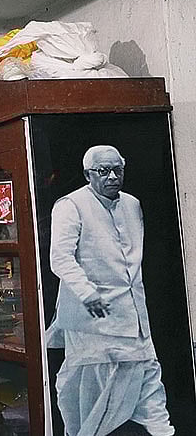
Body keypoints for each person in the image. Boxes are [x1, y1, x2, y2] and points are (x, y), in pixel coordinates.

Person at [46, 145, 174, 436]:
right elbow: (61, 258)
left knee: (149, 381)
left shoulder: (132, 204)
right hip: (94, 320)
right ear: (88, 174)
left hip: (135, 316)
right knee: (94, 393)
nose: (113, 176)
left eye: (118, 169)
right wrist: (87, 293)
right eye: (104, 171)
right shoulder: (71, 205)